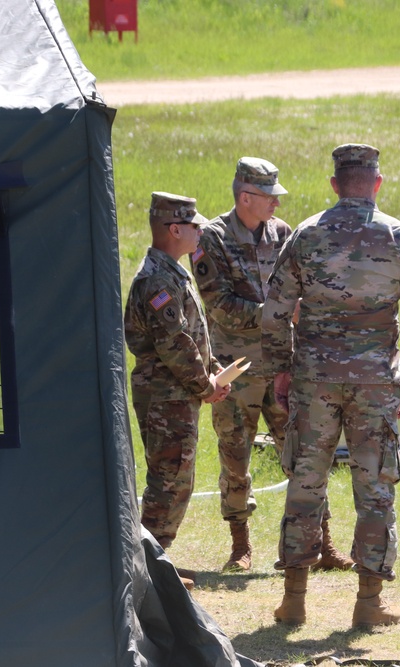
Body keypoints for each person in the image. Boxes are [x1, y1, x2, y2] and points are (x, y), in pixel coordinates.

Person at [261, 143, 400, 628]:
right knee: (375, 486)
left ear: (336, 183)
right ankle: (369, 603)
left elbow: (275, 309)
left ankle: (293, 599)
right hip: (373, 383)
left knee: (305, 482)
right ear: (376, 184)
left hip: (314, 380)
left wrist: (281, 368)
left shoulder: (306, 234)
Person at [192, 157, 353, 573]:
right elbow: (221, 306)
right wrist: (281, 312)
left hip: (284, 364)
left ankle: (324, 544)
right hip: (236, 368)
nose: (277, 205)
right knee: (235, 454)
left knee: (306, 454)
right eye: (269, 197)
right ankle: (240, 547)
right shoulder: (212, 239)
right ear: (246, 197)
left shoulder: (283, 234)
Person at [124, 192, 231, 566]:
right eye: (193, 225)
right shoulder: (156, 281)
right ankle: (145, 568)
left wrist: (213, 367)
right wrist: (206, 385)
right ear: (174, 229)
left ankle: (153, 562)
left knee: (175, 481)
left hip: (174, 393)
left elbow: (190, 335)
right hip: (164, 396)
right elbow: (174, 344)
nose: (200, 231)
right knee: (168, 483)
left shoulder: (170, 273)